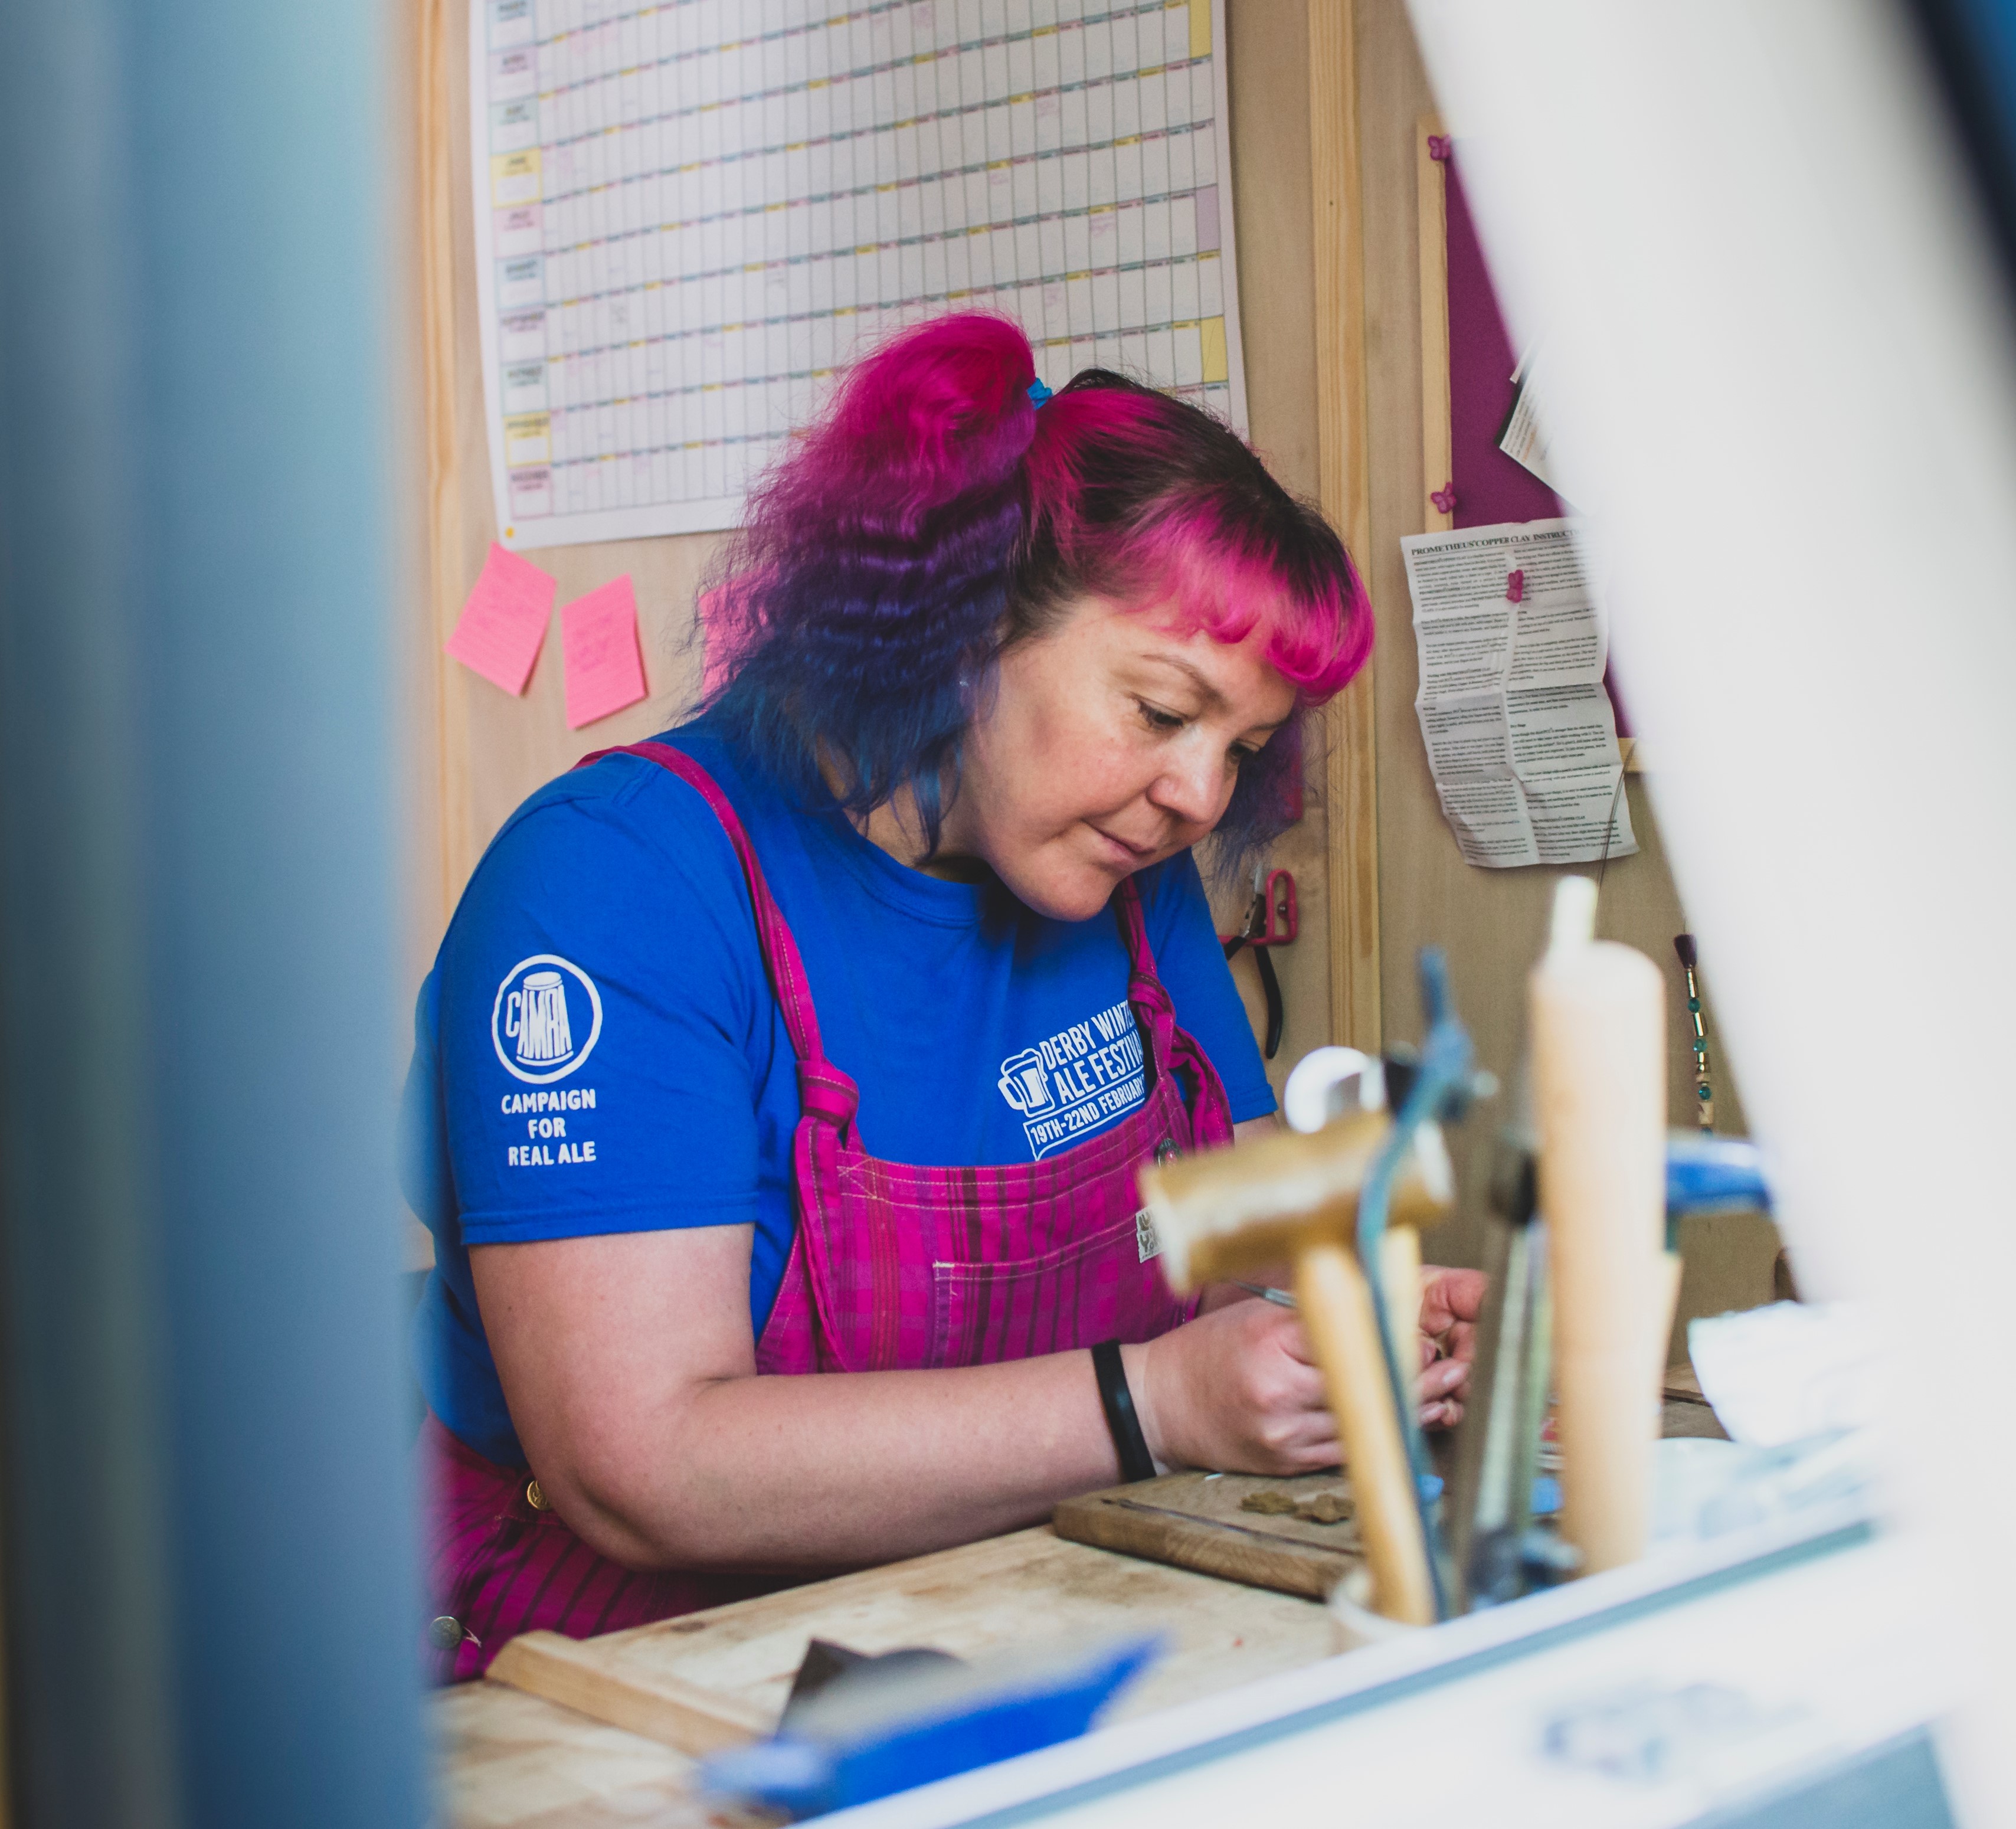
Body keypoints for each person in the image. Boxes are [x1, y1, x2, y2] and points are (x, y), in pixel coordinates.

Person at [404, 315, 1481, 1680]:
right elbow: (643, 1462)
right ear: (962, 625)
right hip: (614, 1656)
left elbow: (1222, 1198)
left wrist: (1374, 1282)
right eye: (1161, 712)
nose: (1201, 796)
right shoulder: (618, 887)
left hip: (977, 1602)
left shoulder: (1107, 867)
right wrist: (1154, 1399)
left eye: (1243, 745)